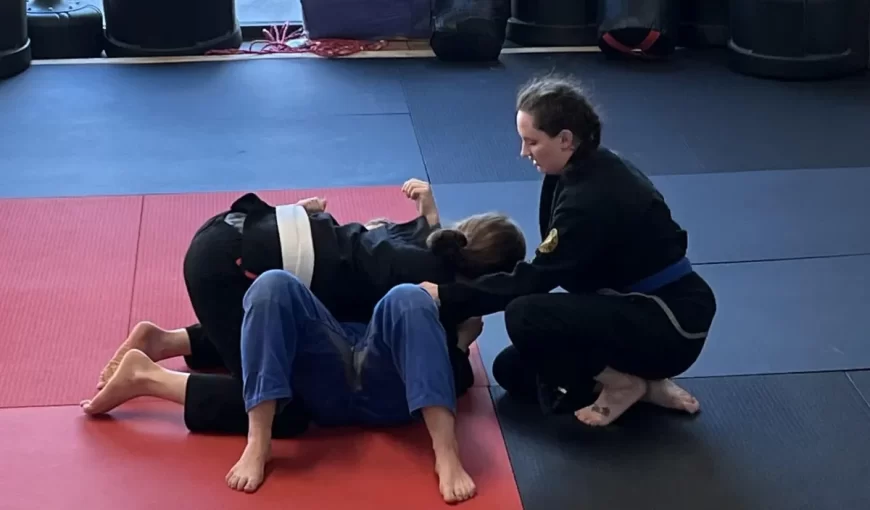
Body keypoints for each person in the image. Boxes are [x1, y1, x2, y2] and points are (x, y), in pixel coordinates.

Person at [420, 74, 717, 427]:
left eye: (532, 141)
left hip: (671, 325)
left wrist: (450, 296)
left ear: (565, 139)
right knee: (511, 370)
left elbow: (537, 278)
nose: (523, 152)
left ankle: (622, 383)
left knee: (525, 315)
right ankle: (644, 385)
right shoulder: (576, 168)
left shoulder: (592, 196)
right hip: (628, 306)